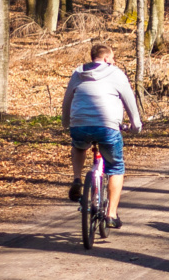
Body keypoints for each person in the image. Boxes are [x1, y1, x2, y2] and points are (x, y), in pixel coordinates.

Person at [61, 44, 143, 228]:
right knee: (116, 167)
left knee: (79, 145)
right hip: (107, 127)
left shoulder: (78, 72)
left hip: (79, 124)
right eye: (112, 58)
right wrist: (136, 126)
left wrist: (66, 123)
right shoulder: (115, 73)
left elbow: (67, 100)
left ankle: (77, 179)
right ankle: (111, 215)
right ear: (106, 58)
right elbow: (129, 100)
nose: (114, 61)